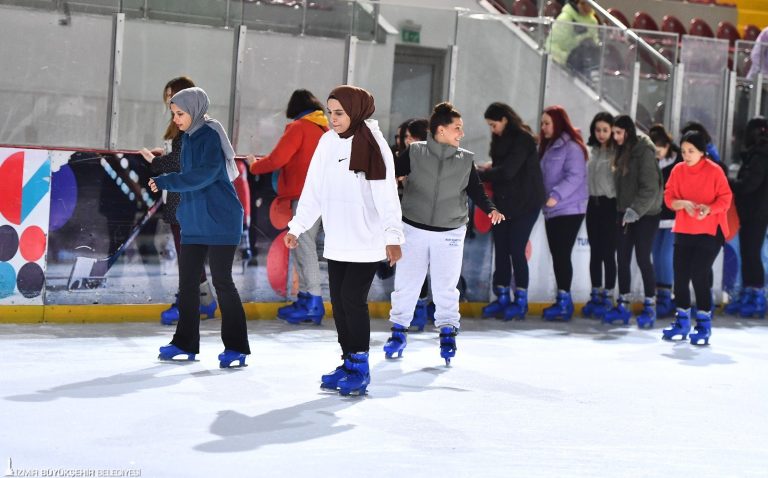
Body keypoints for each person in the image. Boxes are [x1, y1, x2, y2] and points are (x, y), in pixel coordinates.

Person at [285, 85, 403, 396]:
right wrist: (297, 227)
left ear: (356, 111)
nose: (333, 119)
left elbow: (387, 195)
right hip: (337, 239)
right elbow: (313, 190)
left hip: (367, 240)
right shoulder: (326, 143)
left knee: (352, 299)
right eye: (331, 112)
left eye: (339, 113)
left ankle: (361, 366)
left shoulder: (374, 145)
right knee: (338, 302)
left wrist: (393, 237)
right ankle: (348, 360)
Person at [383, 102, 503, 364]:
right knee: (406, 284)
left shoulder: (465, 159)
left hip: (450, 231)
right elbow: (389, 173)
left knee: (446, 286)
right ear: (440, 130)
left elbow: (476, 191)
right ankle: (398, 332)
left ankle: (448, 331)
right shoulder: (415, 152)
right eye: (456, 128)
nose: (461, 133)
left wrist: (491, 208)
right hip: (413, 227)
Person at [150, 87, 251, 368]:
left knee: (222, 281)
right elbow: (188, 176)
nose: (177, 120)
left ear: (194, 110)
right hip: (195, 220)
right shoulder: (188, 137)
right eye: (174, 114)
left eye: (180, 114)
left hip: (221, 219)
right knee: (188, 284)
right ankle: (185, 342)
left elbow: (204, 176)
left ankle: (236, 347)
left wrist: (166, 180)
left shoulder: (208, 135)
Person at [139, 76, 218, 326]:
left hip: (186, 199)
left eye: (172, 95)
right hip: (177, 197)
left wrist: (155, 162)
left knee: (188, 254)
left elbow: (182, 162)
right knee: (188, 253)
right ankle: (205, 302)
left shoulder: (193, 127)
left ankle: (191, 303)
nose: (169, 101)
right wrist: (163, 155)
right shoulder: (180, 125)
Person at [245, 89, 329, 325]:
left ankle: (313, 301)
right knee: (303, 247)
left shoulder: (299, 128)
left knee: (305, 248)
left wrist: (254, 166)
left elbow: (278, 159)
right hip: (322, 196)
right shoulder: (325, 129)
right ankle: (305, 298)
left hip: (304, 197)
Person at [662, 131, 732, 345]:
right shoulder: (678, 170)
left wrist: (709, 209)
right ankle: (682, 321)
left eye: (691, 151)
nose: (686, 155)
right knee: (681, 276)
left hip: (711, 230)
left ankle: (703, 322)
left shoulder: (714, 171)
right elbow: (668, 197)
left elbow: (726, 199)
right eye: (683, 151)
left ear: (702, 152)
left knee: (698, 273)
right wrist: (682, 204)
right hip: (685, 228)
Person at [478, 102, 544, 320]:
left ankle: (521, 301)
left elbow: (508, 171)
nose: (492, 129)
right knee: (502, 250)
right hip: (504, 203)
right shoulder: (499, 140)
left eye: (493, 124)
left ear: (505, 120)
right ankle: (502, 296)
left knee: (516, 250)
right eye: (489, 125)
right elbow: (501, 169)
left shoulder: (523, 139)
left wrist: (481, 173)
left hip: (526, 203)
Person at [602, 115, 662, 328]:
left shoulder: (643, 152)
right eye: (614, 132)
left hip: (646, 214)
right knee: (623, 258)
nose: (615, 136)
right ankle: (624, 303)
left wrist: (635, 210)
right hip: (625, 212)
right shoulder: (620, 151)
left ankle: (650, 305)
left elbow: (650, 188)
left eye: (619, 132)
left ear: (628, 132)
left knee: (643, 258)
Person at [539, 105, 588, 321]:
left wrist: (555, 196)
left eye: (547, 123)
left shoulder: (572, 147)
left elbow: (576, 176)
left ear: (558, 123)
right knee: (558, 255)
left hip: (569, 209)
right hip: (552, 209)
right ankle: (562, 299)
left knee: (561, 254)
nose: (543, 127)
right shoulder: (549, 146)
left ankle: (564, 301)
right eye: (542, 123)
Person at [727, 117, 768, 318]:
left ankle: (757, 295)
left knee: (752, 253)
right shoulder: (755, 155)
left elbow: (749, 184)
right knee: (748, 253)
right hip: (752, 212)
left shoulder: (760, 156)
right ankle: (748, 292)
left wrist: (730, 183)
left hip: (756, 213)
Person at [582, 112, 617, 319]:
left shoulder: (617, 152)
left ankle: (608, 295)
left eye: (605, 130)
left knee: (607, 253)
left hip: (610, 205)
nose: (601, 134)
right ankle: (595, 293)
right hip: (593, 205)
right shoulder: (592, 151)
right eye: (598, 130)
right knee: (595, 252)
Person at [648, 124, 682, 318]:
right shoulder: (650, 162)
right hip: (655, 216)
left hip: (673, 217)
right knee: (655, 254)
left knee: (665, 256)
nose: (657, 154)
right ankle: (660, 295)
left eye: (659, 149)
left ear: (668, 146)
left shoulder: (677, 163)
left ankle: (666, 296)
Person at [548, 0, 600, 79]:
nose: (587, 7)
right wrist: (566, 58)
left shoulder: (592, 21)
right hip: (565, 65)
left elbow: (595, 44)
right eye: (583, 4)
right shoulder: (565, 19)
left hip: (585, 65)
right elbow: (551, 46)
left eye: (590, 5)